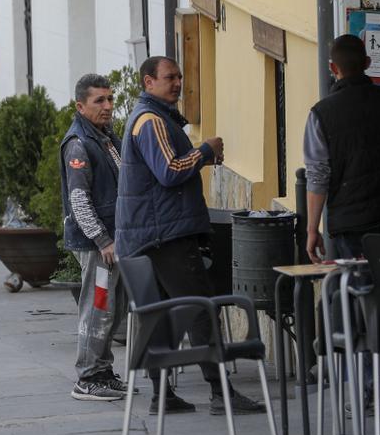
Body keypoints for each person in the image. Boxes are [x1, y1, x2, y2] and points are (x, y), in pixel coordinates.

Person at [114, 56, 265, 416]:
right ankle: (220, 393)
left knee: (163, 315)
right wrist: (205, 151)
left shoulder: (152, 118)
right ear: (148, 82)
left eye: (180, 76)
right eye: (169, 77)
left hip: (151, 234)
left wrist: (198, 157)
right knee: (200, 308)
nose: (178, 82)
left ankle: (161, 395)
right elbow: (168, 171)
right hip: (165, 236)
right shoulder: (150, 121)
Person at [303, 34, 380, 263]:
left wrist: (312, 229)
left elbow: (317, 176)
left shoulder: (321, 115)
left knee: (361, 290)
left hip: (352, 224)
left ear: (333, 68)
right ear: (368, 63)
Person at [60, 74, 130, 401]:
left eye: (110, 99)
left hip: (109, 241)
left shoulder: (104, 137)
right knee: (98, 306)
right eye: (99, 101)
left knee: (109, 308)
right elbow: (79, 200)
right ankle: (87, 377)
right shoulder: (79, 143)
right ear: (80, 106)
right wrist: (103, 241)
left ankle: (103, 371)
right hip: (97, 246)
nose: (107, 106)